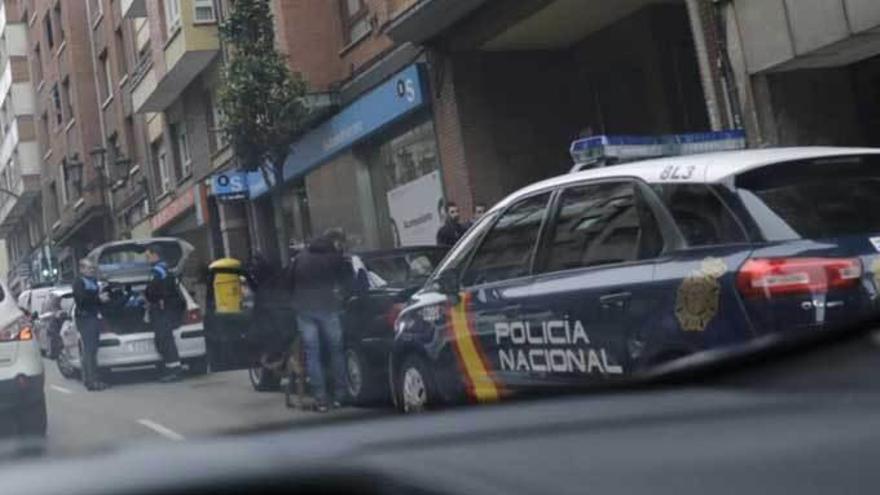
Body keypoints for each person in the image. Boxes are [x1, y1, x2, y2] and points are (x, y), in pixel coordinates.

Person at [291, 228, 353, 412]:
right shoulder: (333, 257)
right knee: (336, 350)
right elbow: (348, 281)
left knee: (313, 353)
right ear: (334, 242)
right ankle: (341, 395)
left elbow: (290, 282)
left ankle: (320, 399)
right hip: (328, 307)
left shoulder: (301, 257)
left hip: (304, 310)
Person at [144, 244, 186, 383]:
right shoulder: (163, 269)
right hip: (164, 309)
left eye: (148, 256)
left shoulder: (160, 270)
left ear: (155, 255)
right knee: (162, 340)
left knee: (165, 340)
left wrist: (151, 297)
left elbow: (157, 289)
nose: (147, 258)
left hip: (163, 310)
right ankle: (171, 369)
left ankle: (175, 370)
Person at [72, 259, 109, 391]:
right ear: (82, 270)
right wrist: (98, 298)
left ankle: (95, 379)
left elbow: (94, 301)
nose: (91, 271)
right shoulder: (79, 282)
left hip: (93, 317)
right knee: (89, 350)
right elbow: (81, 300)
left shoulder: (93, 282)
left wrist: (102, 299)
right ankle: (90, 381)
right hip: (85, 317)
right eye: (88, 268)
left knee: (93, 350)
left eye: (92, 268)